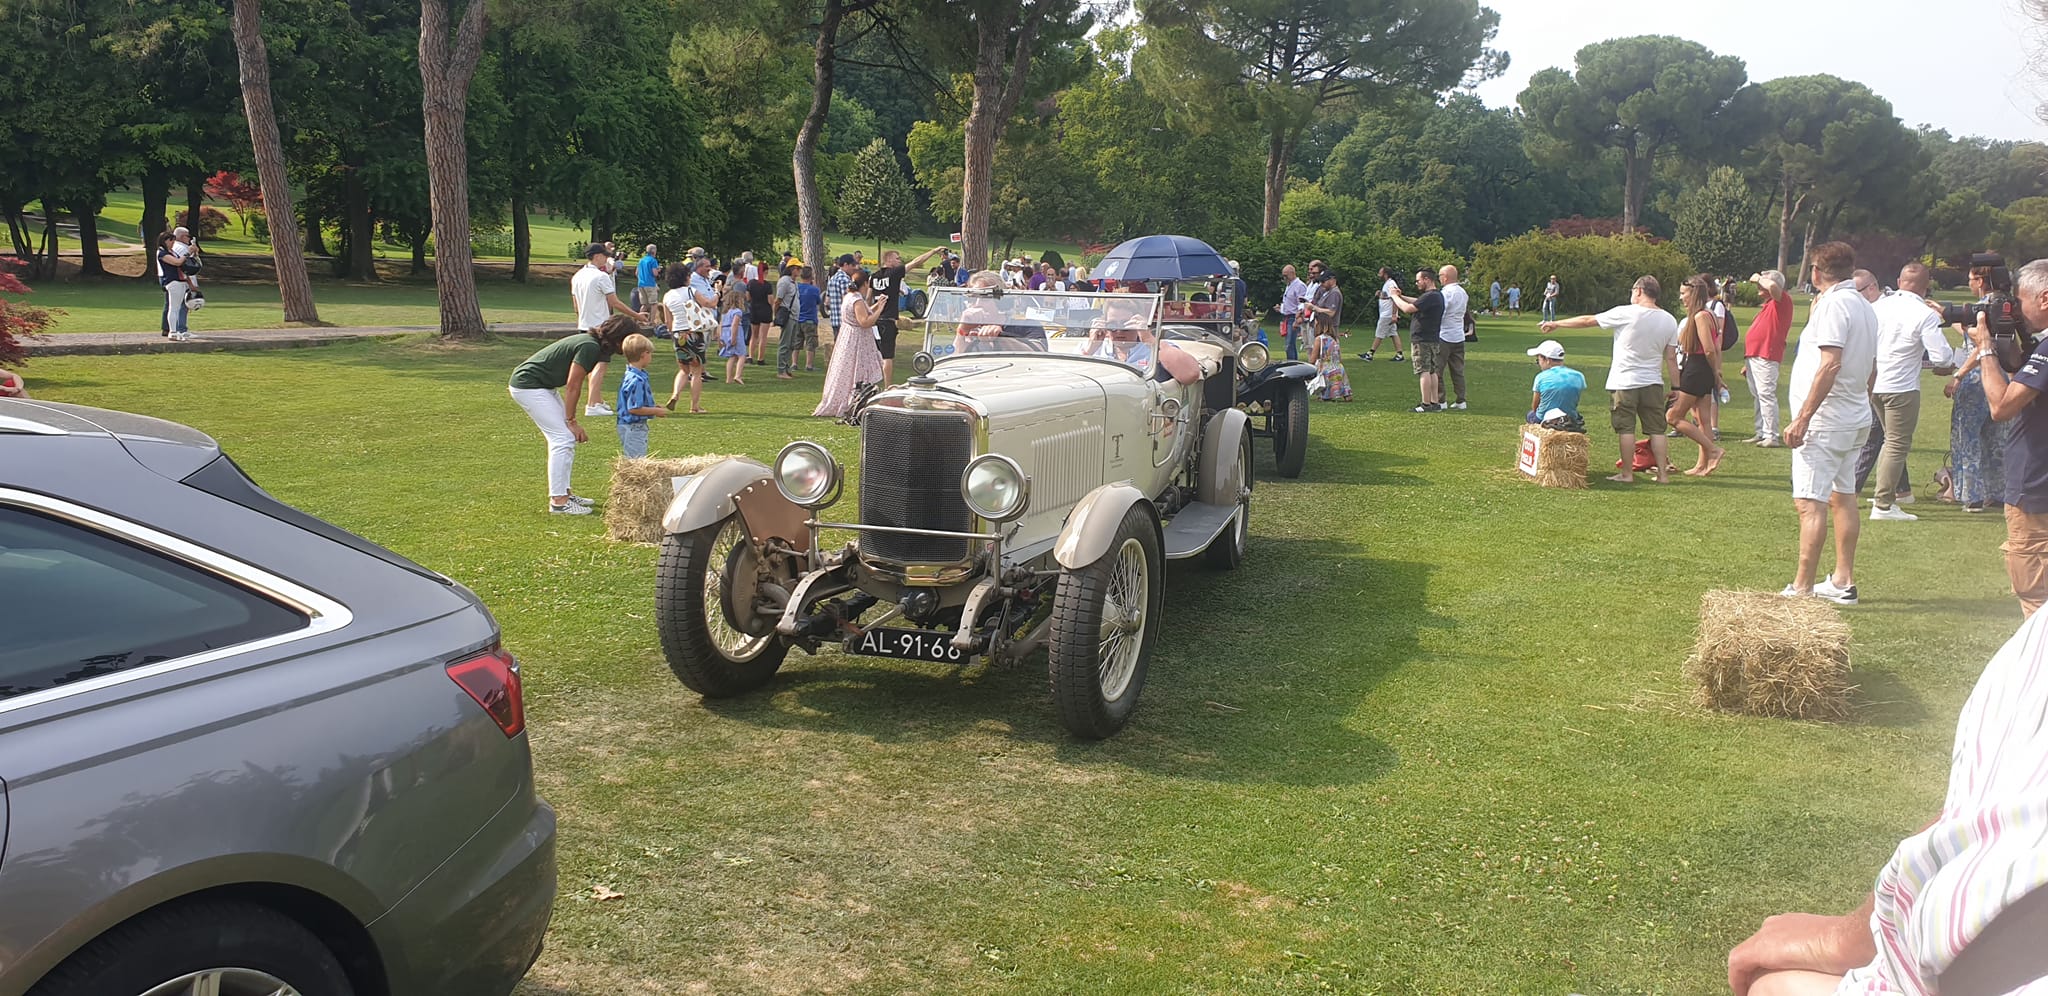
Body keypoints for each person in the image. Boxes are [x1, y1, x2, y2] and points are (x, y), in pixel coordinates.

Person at [1726, 607, 2048, 996]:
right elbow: (1983, 814)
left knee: (1772, 984)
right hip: (1973, 952)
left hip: (1975, 964)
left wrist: (1843, 938)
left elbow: (1989, 845)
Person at [1781, 242, 1880, 605]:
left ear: (1816, 272)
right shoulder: (1863, 306)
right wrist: (1862, 402)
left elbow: (1830, 364)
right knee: (1843, 496)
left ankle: (1802, 587)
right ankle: (1842, 580)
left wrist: (1803, 419)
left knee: (1810, 503)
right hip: (1852, 415)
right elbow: (1871, 365)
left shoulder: (1835, 305)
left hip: (1827, 420)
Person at [1962, 258, 2048, 615]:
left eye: (2019, 302)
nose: (2016, 312)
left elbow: (2001, 406)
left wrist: (1984, 348)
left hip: (2036, 491)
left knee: (2036, 599)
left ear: (2045, 298)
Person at [1541, 276, 1680, 485]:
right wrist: (1677, 386)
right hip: (1653, 381)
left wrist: (1556, 323)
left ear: (1640, 291)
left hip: (1624, 381)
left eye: (1633, 290)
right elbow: (1670, 357)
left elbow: (1588, 320)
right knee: (1657, 430)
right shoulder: (1669, 319)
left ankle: (1627, 473)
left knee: (1626, 429)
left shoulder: (1626, 312)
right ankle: (1662, 474)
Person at [508, 317, 635, 515]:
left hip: (541, 386)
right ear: (619, 339)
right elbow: (573, 385)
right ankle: (559, 502)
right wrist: (571, 421)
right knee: (562, 438)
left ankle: (565, 493)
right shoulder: (589, 347)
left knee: (564, 438)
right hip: (528, 386)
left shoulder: (598, 348)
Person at [1855, 264, 1951, 520]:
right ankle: (1883, 504)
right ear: (1926, 285)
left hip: (1874, 382)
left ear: (1899, 281)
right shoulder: (1925, 313)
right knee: (1896, 444)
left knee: (1889, 441)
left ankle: (1887, 495)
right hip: (1902, 386)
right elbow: (1942, 357)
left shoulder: (1878, 306)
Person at [1949, 262, 2015, 514]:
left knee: (1967, 438)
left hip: (1978, 377)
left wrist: (1959, 374)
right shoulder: (2003, 305)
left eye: (1970, 278)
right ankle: (1997, 491)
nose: (1968, 283)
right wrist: (1949, 316)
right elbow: (1974, 335)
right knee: (1996, 438)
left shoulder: (1985, 307)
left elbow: (1983, 344)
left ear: (1979, 281)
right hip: (2000, 378)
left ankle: (1971, 494)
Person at [1667, 275, 1729, 476]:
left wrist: (1715, 373)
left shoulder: (1701, 316)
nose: (1681, 298)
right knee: (1703, 420)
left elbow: (1710, 349)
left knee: (1673, 417)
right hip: (1702, 370)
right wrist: (1716, 374)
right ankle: (1703, 465)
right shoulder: (1709, 314)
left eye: (1683, 293)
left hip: (1697, 369)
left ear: (1693, 293)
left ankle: (1713, 450)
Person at [571, 244, 641, 418]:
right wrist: (637, 316)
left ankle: (596, 399)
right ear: (596, 256)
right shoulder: (601, 277)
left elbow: (576, 306)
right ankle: (592, 405)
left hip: (584, 326)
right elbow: (614, 302)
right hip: (601, 328)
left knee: (592, 366)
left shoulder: (577, 276)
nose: (606, 259)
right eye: (604, 255)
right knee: (601, 365)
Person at [871, 246, 946, 386]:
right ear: (888, 260)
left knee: (875, 354)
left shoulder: (874, 276)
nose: (899, 260)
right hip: (888, 320)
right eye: (897, 258)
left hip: (874, 320)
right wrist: (933, 251)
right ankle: (888, 386)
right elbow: (916, 262)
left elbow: (869, 297)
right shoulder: (894, 273)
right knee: (887, 357)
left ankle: (871, 384)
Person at [815, 267, 882, 418]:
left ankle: (854, 399)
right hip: (857, 339)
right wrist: (880, 310)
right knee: (856, 369)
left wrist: (876, 306)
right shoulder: (856, 299)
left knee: (847, 369)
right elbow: (864, 321)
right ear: (865, 283)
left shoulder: (849, 296)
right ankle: (854, 401)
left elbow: (863, 313)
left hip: (848, 336)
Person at [1744, 269, 1795, 447]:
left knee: (1766, 394)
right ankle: (1762, 432)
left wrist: (1759, 277)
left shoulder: (1783, 301)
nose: (1758, 285)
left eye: (1761, 283)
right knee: (1758, 395)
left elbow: (1773, 285)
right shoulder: (1770, 304)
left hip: (1766, 354)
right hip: (1756, 355)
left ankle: (1771, 435)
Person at [1390, 269, 1447, 412]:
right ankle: (1434, 402)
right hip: (1432, 338)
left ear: (1427, 279)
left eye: (1418, 280)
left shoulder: (1430, 296)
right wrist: (1401, 295)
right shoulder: (1435, 296)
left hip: (1422, 339)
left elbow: (1408, 309)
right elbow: (1417, 302)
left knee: (1424, 371)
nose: (1417, 283)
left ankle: (1425, 404)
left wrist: (1394, 297)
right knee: (1432, 371)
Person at [659, 262, 712, 414]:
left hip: (677, 333)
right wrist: (718, 293)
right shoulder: (691, 291)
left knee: (683, 370)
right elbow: (708, 303)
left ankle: (675, 394)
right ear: (685, 277)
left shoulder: (667, 296)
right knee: (696, 371)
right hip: (693, 332)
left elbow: (668, 322)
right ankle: (694, 406)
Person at [613, 333, 668, 459]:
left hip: (629, 425)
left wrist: (652, 406)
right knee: (636, 461)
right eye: (650, 353)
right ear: (643, 354)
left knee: (634, 459)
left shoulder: (632, 374)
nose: (651, 356)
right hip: (633, 427)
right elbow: (634, 408)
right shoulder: (636, 380)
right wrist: (656, 411)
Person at [1525, 340, 1585, 429]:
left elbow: (1535, 406)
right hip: (1570, 416)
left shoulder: (1541, 377)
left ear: (1547, 360)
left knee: (1530, 415)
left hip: (1545, 418)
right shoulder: (1579, 376)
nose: (1539, 363)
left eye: (1538, 360)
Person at [1438, 265, 1470, 410]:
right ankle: (1460, 400)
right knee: (1458, 370)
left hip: (1444, 334)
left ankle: (1441, 400)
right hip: (1458, 335)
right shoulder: (1463, 292)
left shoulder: (1446, 293)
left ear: (1445, 277)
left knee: (1437, 369)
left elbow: (1441, 312)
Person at [1361, 267, 1406, 364]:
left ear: (1385, 274)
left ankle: (1370, 354)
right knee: (1394, 334)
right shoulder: (1387, 284)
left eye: (1380, 272)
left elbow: (1395, 299)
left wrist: (1394, 314)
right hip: (1387, 314)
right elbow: (1386, 296)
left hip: (1387, 315)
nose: (1378, 274)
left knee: (1379, 334)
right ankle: (1400, 355)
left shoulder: (1391, 284)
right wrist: (1380, 293)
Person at [156, 233, 194, 341]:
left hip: (180, 281)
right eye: (171, 240)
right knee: (173, 308)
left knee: (176, 308)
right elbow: (177, 263)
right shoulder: (162, 253)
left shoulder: (172, 252)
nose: (173, 243)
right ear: (165, 241)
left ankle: (175, 331)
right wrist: (187, 253)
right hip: (173, 281)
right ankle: (172, 331)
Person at [822, 254, 855, 356]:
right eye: (852, 265)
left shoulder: (833, 278)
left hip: (835, 319)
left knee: (838, 348)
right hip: (844, 321)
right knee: (846, 351)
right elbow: (848, 300)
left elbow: (827, 301)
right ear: (845, 264)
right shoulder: (844, 279)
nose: (853, 268)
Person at [1309, 322, 1351, 401]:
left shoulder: (1319, 339)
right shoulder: (1335, 339)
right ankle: (1346, 395)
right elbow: (1339, 356)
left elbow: (1312, 359)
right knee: (1340, 378)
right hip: (1338, 366)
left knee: (1324, 372)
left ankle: (1326, 396)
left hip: (1325, 367)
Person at [1276, 264, 1310, 362]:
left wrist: (1298, 318)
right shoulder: (1289, 285)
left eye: (1286, 275)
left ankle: (1293, 363)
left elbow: (1302, 303)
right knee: (1288, 344)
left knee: (1289, 344)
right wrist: (1281, 309)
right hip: (1287, 316)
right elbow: (1290, 302)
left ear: (1292, 273)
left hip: (1293, 317)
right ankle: (1291, 362)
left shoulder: (1299, 286)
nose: (1284, 278)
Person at [718, 285, 750, 386]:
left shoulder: (725, 313)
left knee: (732, 356)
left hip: (725, 333)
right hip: (735, 334)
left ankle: (729, 378)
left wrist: (721, 337)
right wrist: (734, 337)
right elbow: (735, 325)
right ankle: (738, 375)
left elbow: (721, 325)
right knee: (742, 355)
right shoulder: (737, 312)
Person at [774, 264, 801, 379]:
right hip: (788, 315)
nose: (799, 271)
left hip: (794, 316)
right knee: (785, 343)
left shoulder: (793, 282)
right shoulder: (784, 281)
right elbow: (778, 299)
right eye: (798, 268)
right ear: (792, 269)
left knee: (791, 344)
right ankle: (781, 370)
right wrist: (776, 314)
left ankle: (786, 368)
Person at [795, 266, 823, 372]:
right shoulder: (814, 290)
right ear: (811, 276)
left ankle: (794, 363)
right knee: (811, 343)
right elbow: (818, 302)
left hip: (798, 318)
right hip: (810, 319)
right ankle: (809, 365)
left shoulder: (797, 287)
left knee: (797, 342)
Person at [746, 265, 774, 367]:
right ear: (766, 271)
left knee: (754, 335)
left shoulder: (751, 283)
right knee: (763, 336)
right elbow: (770, 300)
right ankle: (760, 358)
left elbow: (748, 297)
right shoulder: (767, 285)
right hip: (765, 310)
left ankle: (750, 356)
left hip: (754, 309)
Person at [634, 245, 661, 314]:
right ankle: (652, 322)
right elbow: (655, 273)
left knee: (644, 305)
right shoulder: (653, 261)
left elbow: (637, 273)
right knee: (654, 304)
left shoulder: (641, 260)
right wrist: (658, 270)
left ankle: (640, 320)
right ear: (654, 251)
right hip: (650, 284)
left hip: (641, 284)